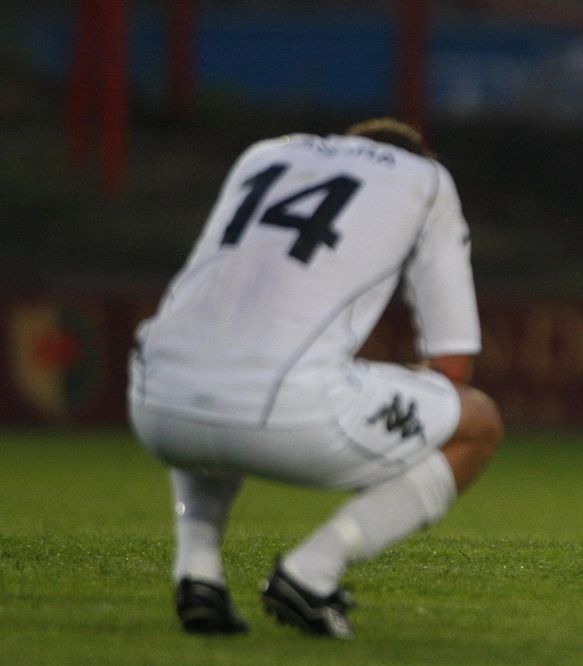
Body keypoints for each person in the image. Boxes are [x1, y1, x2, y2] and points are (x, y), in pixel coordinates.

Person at [128, 118, 502, 637]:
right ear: (420, 155)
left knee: (213, 354)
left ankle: (197, 572)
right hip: (286, 416)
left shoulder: (263, 155)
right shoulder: (426, 178)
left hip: (154, 404)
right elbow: (452, 367)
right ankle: (312, 572)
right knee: (479, 422)